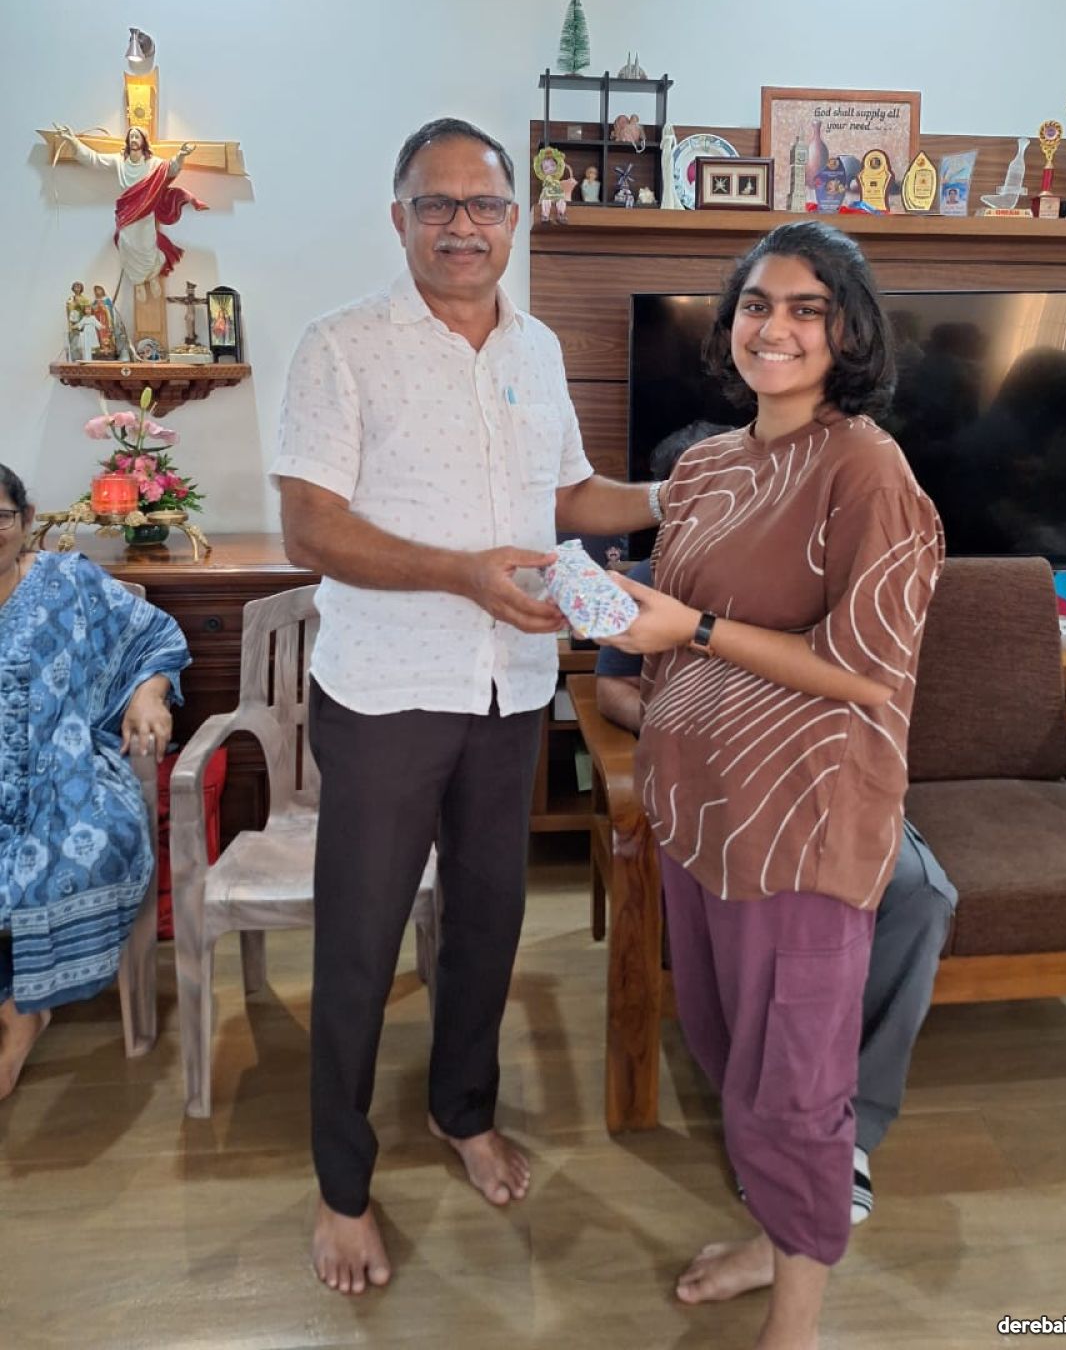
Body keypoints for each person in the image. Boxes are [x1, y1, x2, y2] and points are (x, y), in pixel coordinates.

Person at [272, 117, 662, 1297]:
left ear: (513, 219)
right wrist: (460, 572)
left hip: (512, 688)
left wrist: (678, 489)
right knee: (360, 941)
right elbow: (309, 529)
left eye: (484, 205)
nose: (462, 226)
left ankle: (463, 1111)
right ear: (398, 218)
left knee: (490, 923)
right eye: (436, 205)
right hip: (387, 691)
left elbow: (570, 495)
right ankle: (342, 1186)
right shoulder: (341, 347)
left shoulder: (537, 348)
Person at [597, 223, 945, 1350]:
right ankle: (767, 1240)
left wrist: (692, 627)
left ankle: (796, 1324)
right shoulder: (706, 466)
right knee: (725, 1052)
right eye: (756, 304)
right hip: (697, 811)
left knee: (796, 1084)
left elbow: (866, 668)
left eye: (806, 308)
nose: (775, 327)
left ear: (849, 331)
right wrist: (597, 600)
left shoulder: (868, 469)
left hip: (801, 822)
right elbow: (652, 609)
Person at [0, 463, 189, 1100]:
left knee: (82, 849)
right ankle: (14, 1002)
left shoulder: (67, 581)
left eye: (0, 518)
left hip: (67, 770)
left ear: (27, 520)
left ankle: (23, 1012)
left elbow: (156, 636)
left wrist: (149, 695)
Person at [52, 123, 206, 312]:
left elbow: (171, 169)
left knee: (147, 245)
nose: (133, 140)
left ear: (143, 141)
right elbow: (94, 159)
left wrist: (181, 155)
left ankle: (152, 276)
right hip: (127, 213)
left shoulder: (153, 163)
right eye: (131, 137)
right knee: (127, 246)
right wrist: (73, 142)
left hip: (145, 213)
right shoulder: (119, 161)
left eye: (137, 137)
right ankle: (138, 281)